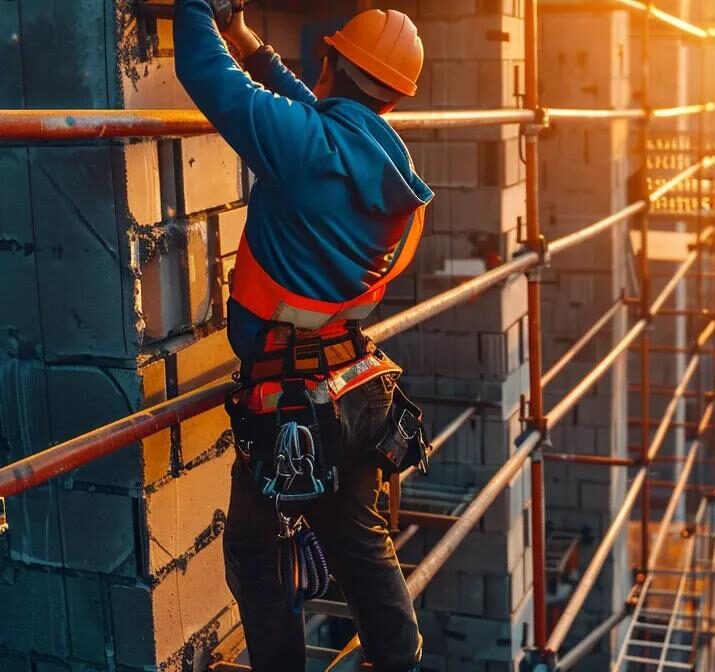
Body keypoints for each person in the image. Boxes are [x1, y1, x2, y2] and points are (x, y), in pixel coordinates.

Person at [173, 2, 432, 671]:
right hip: (353, 385)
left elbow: (206, 75)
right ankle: (398, 662)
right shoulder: (388, 160)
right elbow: (311, 113)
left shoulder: (308, 148)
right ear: (397, 96)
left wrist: (199, 10)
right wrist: (249, 41)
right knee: (359, 540)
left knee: (259, 558)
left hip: (291, 400)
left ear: (334, 64)